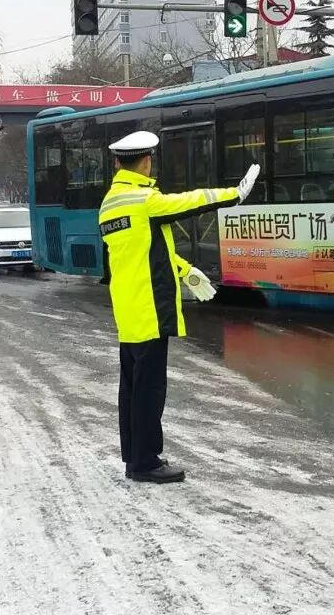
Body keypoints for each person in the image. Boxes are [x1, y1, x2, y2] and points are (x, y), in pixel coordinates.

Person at [98, 130, 260, 484]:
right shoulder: (144, 201)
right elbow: (191, 200)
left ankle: (135, 457)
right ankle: (146, 463)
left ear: (117, 162)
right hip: (151, 308)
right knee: (150, 390)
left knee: (132, 388)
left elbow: (142, 252)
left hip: (128, 310)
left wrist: (186, 272)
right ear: (146, 161)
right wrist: (236, 193)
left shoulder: (111, 201)